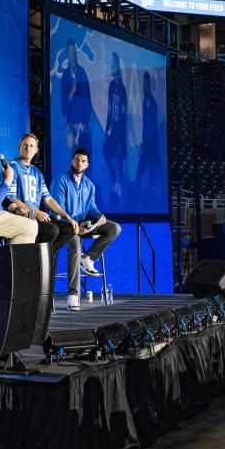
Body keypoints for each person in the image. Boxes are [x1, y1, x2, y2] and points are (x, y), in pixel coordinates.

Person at [49, 148, 122, 310]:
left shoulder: (89, 184)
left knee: (114, 228)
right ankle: (73, 294)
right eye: (76, 160)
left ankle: (88, 258)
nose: (79, 163)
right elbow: (57, 210)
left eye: (83, 161)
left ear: (87, 164)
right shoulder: (61, 180)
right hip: (66, 226)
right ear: (71, 161)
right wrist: (74, 225)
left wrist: (98, 217)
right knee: (75, 245)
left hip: (84, 224)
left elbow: (91, 207)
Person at [3, 132, 79, 273]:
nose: (28, 148)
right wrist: (35, 211)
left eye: (32, 146)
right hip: (22, 217)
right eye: (25, 145)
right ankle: (36, 262)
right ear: (19, 147)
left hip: (35, 217)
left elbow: (48, 199)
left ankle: (38, 261)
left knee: (69, 229)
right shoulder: (12, 168)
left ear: (36, 150)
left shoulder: (37, 173)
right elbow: (10, 197)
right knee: (52, 230)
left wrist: (67, 217)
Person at [60, 41, 93, 163]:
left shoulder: (82, 72)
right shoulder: (65, 75)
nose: (72, 55)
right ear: (68, 55)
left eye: (74, 52)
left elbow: (88, 98)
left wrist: (86, 121)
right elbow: (64, 108)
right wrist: (72, 92)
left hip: (83, 123)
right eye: (70, 53)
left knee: (88, 155)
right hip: (71, 123)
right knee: (73, 153)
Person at [103, 52, 129, 206]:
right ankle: (115, 182)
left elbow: (123, 115)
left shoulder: (123, 89)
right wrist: (107, 128)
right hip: (112, 130)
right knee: (107, 151)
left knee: (119, 158)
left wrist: (120, 136)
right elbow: (109, 108)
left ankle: (119, 188)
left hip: (120, 131)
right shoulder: (112, 85)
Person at [135, 71, 161, 195]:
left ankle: (141, 192)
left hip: (151, 143)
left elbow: (150, 124)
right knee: (147, 169)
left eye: (144, 84)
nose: (143, 87)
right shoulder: (147, 100)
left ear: (148, 84)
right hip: (150, 143)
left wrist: (145, 143)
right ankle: (149, 190)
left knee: (141, 171)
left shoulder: (149, 101)